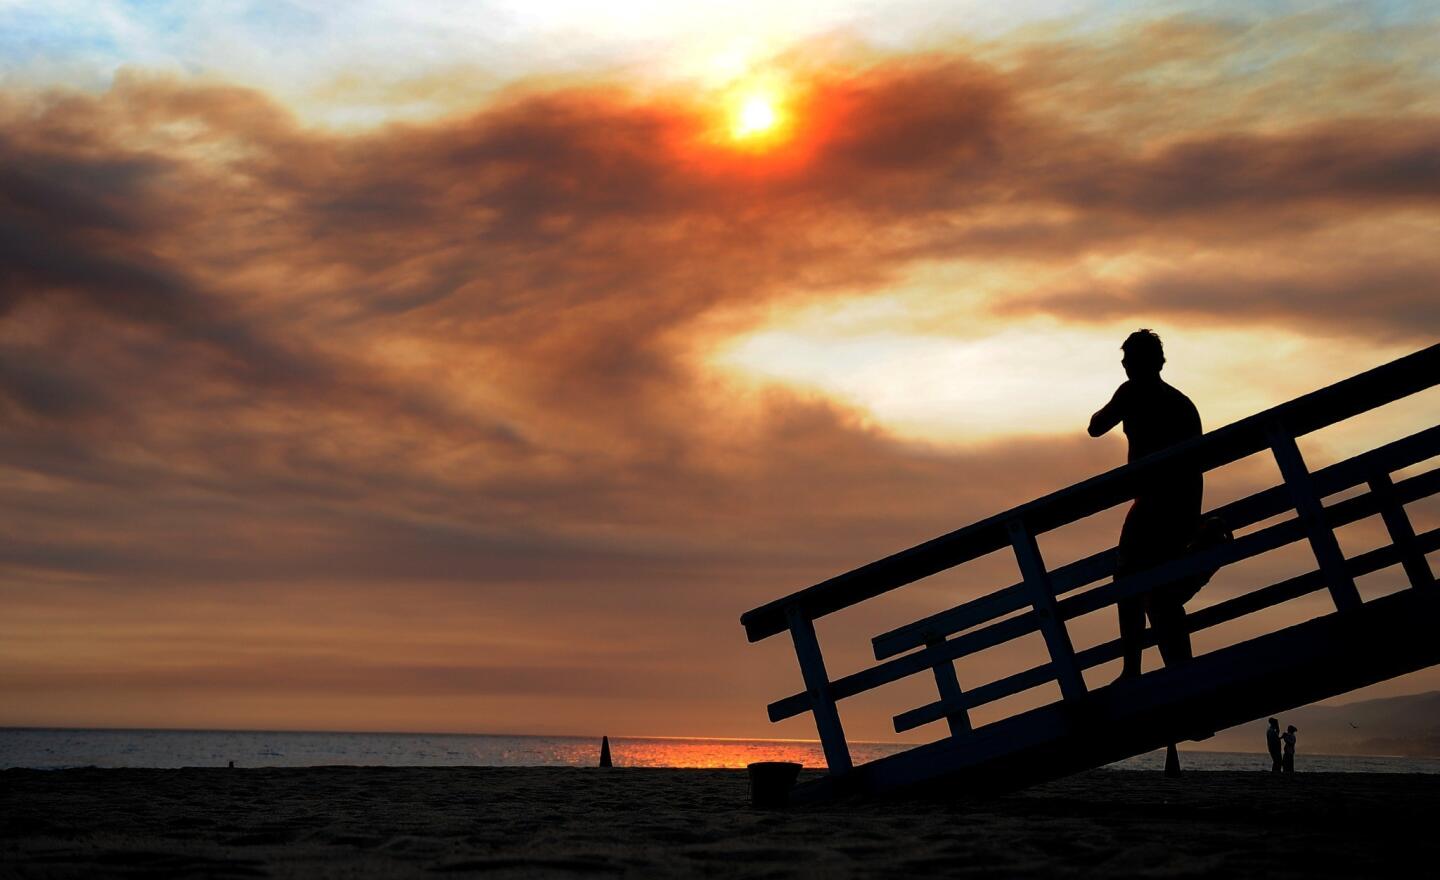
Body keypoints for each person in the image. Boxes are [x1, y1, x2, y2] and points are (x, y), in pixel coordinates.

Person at [1089, 329, 1204, 678]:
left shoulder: (1133, 393)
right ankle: (1181, 673)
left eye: (1127, 358)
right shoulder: (1182, 403)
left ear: (1141, 362)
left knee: (1128, 580)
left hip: (1154, 504)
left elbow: (1095, 427)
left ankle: (1132, 670)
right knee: (1162, 594)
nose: (1123, 364)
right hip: (1182, 505)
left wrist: (1123, 402)